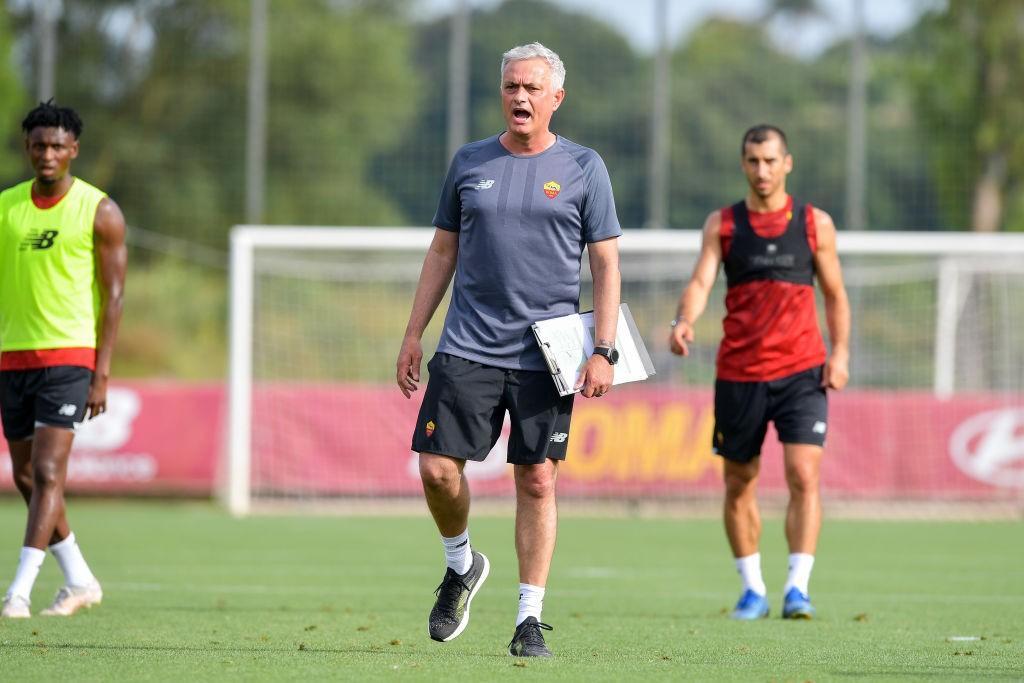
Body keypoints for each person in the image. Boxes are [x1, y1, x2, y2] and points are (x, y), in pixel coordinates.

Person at [396, 42, 622, 657]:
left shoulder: (584, 167)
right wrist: (414, 332)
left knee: (538, 481)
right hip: (467, 343)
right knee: (437, 470)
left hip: (546, 355)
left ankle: (529, 619)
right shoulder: (469, 162)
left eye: (531, 88)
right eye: (510, 87)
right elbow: (443, 249)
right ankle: (461, 563)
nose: (519, 97)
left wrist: (605, 349)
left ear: (556, 99)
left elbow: (605, 262)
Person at [669, 124, 850, 620]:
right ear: (743, 164)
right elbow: (702, 280)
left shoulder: (815, 224)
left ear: (787, 163)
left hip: (801, 372)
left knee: (802, 474)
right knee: (738, 481)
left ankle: (798, 587)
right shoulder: (723, 225)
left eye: (771, 161)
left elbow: (834, 295)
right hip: (740, 373)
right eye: (753, 161)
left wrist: (841, 353)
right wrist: (684, 320)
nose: (762, 170)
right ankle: (752, 589)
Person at [0, 101, 127, 618]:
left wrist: (101, 372)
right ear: (26, 148)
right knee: (27, 477)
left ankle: (18, 592)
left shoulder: (99, 211)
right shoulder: (6, 208)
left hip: (71, 358)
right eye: (38, 145)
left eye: (57, 145)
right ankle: (79, 579)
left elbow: (114, 295)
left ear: (73, 150)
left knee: (50, 472)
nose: (47, 154)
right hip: (14, 356)